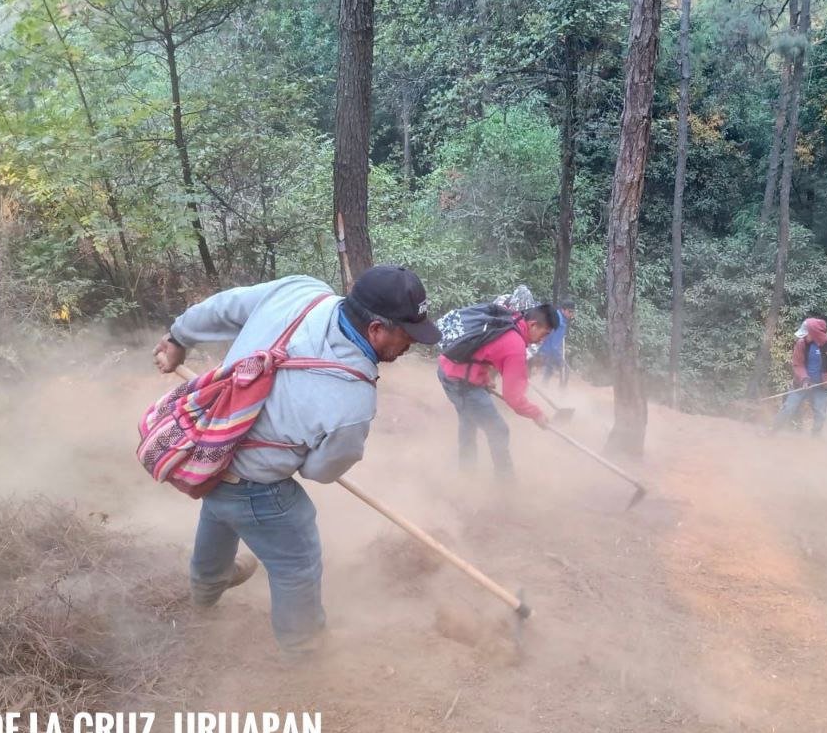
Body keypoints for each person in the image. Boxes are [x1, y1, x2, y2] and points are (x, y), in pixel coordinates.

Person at [152, 266, 440, 658]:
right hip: (252, 485)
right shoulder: (353, 401)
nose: (413, 344)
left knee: (220, 509)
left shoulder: (301, 292)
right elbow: (319, 471)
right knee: (297, 564)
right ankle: (305, 652)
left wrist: (177, 337)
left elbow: (224, 307)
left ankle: (206, 588)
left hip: (205, 455)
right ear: (376, 329)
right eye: (408, 333)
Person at [436, 302, 558, 476]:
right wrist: (536, 414)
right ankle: (505, 484)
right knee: (499, 430)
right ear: (532, 325)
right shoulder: (515, 346)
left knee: (468, 420)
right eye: (544, 333)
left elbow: (485, 349)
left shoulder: (512, 318)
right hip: (459, 382)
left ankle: (466, 473)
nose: (542, 340)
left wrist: (483, 378)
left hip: (447, 368)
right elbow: (513, 398)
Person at [770, 315, 827, 435]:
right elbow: (798, 364)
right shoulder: (802, 343)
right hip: (801, 384)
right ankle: (772, 432)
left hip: (822, 386)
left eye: (807, 333)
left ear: (815, 334)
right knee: (788, 407)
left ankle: (815, 437)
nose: (804, 336)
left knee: (820, 412)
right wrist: (804, 379)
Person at [535, 296, 574, 385]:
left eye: (572, 312)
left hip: (542, 349)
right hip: (546, 351)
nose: (571, 314)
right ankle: (561, 394)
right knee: (565, 369)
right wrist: (560, 359)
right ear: (563, 310)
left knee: (550, 367)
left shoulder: (556, 315)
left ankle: (544, 385)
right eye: (569, 311)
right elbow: (554, 346)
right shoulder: (560, 323)